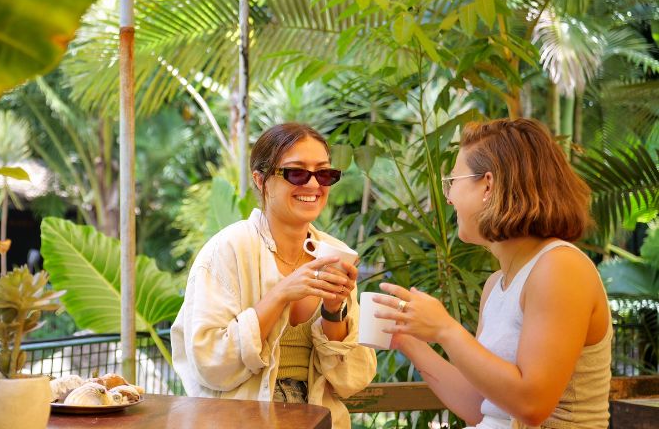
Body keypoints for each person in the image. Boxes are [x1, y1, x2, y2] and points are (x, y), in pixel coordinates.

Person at [373, 118, 612, 428]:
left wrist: (445, 329)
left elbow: (531, 404)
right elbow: (481, 406)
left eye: (453, 181)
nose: (448, 198)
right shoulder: (496, 284)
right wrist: (408, 341)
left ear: (488, 184)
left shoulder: (560, 268)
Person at [171, 122, 377, 429]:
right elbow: (210, 363)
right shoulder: (227, 251)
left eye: (323, 173)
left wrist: (334, 312)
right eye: (296, 173)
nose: (312, 185)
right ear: (261, 179)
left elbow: (350, 379)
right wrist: (281, 294)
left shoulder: (336, 254)